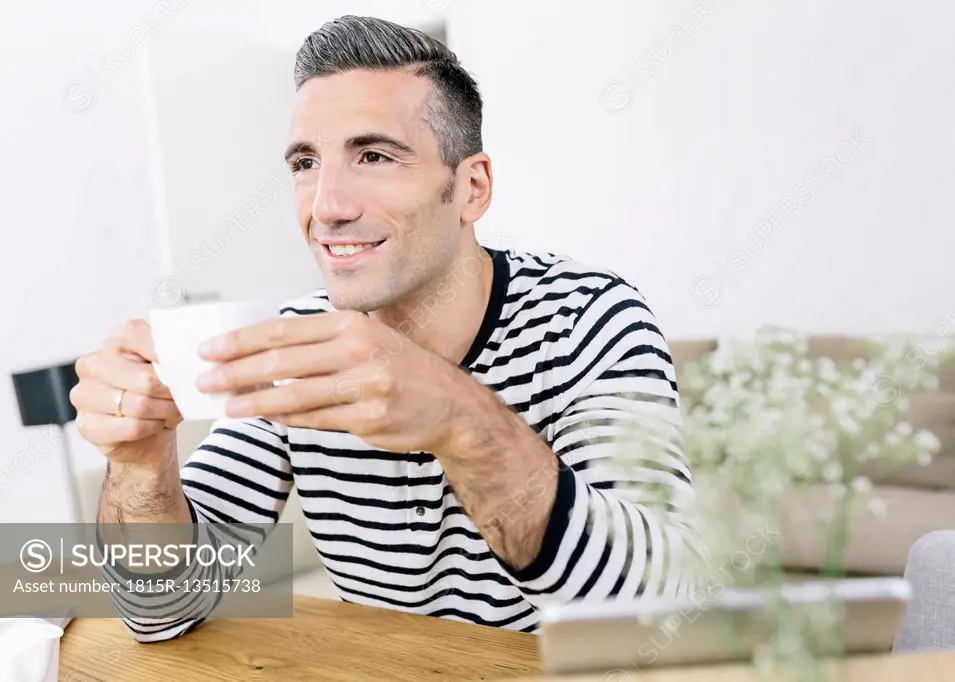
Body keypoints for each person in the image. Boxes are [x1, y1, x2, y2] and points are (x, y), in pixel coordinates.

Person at [71, 15, 703, 641]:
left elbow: (665, 606)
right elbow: (162, 610)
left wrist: (460, 420)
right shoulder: (299, 343)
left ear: (471, 188)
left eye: (373, 155)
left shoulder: (586, 316)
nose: (327, 207)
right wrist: (139, 465)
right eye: (305, 162)